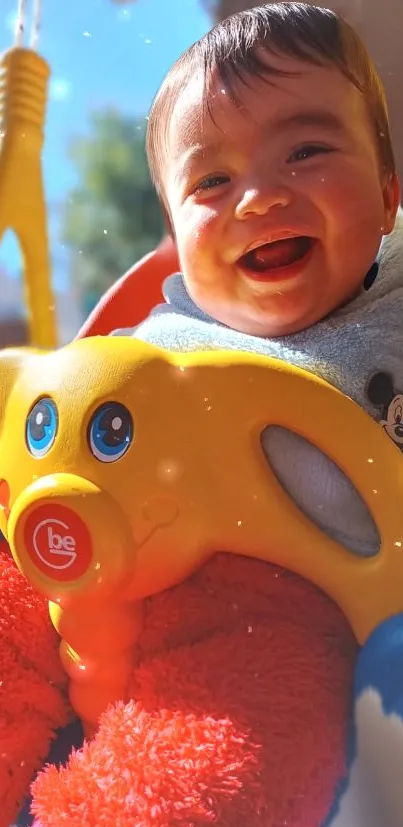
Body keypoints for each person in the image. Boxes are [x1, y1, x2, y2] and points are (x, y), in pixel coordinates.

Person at [115, 2, 402, 556]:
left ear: (388, 198)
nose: (259, 197)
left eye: (305, 151)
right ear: (176, 242)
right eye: (213, 180)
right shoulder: (158, 359)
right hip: (241, 606)